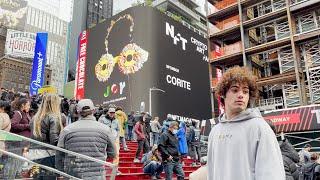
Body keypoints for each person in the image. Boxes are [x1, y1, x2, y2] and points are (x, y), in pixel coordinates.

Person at [207, 66, 285, 180]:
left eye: (245, 91)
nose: (241, 95)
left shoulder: (260, 127)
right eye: (234, 90)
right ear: (223, 94)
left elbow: (272, 173)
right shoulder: (215, 131)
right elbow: (211, 171)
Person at [56, 99, 116, 179]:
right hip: (97, 176)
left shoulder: (67, 130)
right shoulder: (106, 129)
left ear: (77, 111)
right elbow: (112, 154)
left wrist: (61, 172)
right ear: (93, 111)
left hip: (73, 175)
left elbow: (59, 155)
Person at [29, 94, 64, 179]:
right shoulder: (53, 117)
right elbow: (54, 140)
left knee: (36, 177)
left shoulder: (35, 117)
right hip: (48, 155)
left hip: (34, 153)